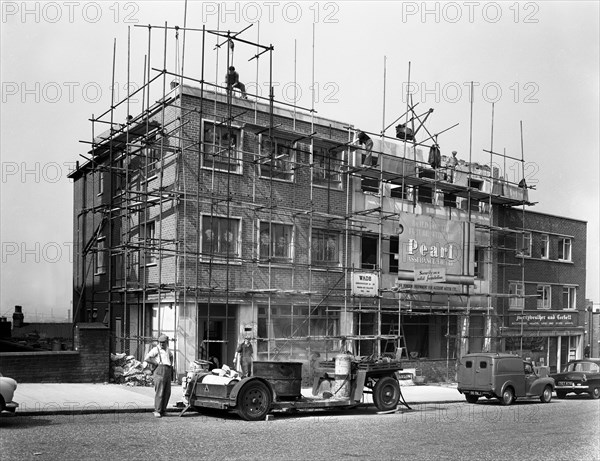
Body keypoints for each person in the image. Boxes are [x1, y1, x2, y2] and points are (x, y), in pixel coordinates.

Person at [144, 334, 173, 418]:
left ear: (166, 342)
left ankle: (163, 410)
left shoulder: (167, 349)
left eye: (163, 342)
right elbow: (147, 358)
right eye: (160, 342)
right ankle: (157, 410)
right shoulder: (156, 349)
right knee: (160, 391)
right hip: (159, 371)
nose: (161, 344)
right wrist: (155, 363)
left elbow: (171, 356)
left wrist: (171, 365)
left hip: (167, 371)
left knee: (167, 392)